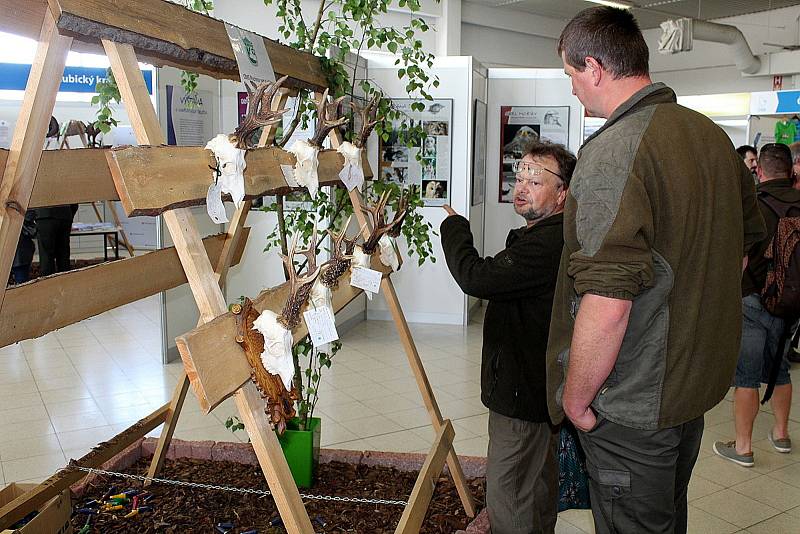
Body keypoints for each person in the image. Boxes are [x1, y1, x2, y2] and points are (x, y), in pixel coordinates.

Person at [546, 7, 765, 534]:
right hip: (690, 387)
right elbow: (741, 251)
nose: (575, 90)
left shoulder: (613, 153)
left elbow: (608, 301)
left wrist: (575, 399)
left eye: (573, 76)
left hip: (633, 403)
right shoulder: (710, 138)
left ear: (594, 67)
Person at [441, 141, 576, 534]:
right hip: (537, 388)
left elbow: (476, 278)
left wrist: (454, 228)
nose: (522, 186)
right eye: (519, 176)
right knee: (536, 483)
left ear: (563, 191)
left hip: (523, 394)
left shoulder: (547, 244)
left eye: (535, 180)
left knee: (509, 490)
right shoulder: (548, 234)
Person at [713, 143, 798, 466]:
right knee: (780, 369)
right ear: (790, 171)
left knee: (746, 376)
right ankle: (780, 434)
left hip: (750, 300)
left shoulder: (754, 206)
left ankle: (744, 447)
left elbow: (737, 255)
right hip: (790, 303)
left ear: (759, 171)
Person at [34, 204, 78, 276]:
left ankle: (49, 284)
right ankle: (65, 282)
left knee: (46, 256)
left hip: (44, 215)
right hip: (65, 215)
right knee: (63, 255)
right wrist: (69, 214)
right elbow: (74, 202)